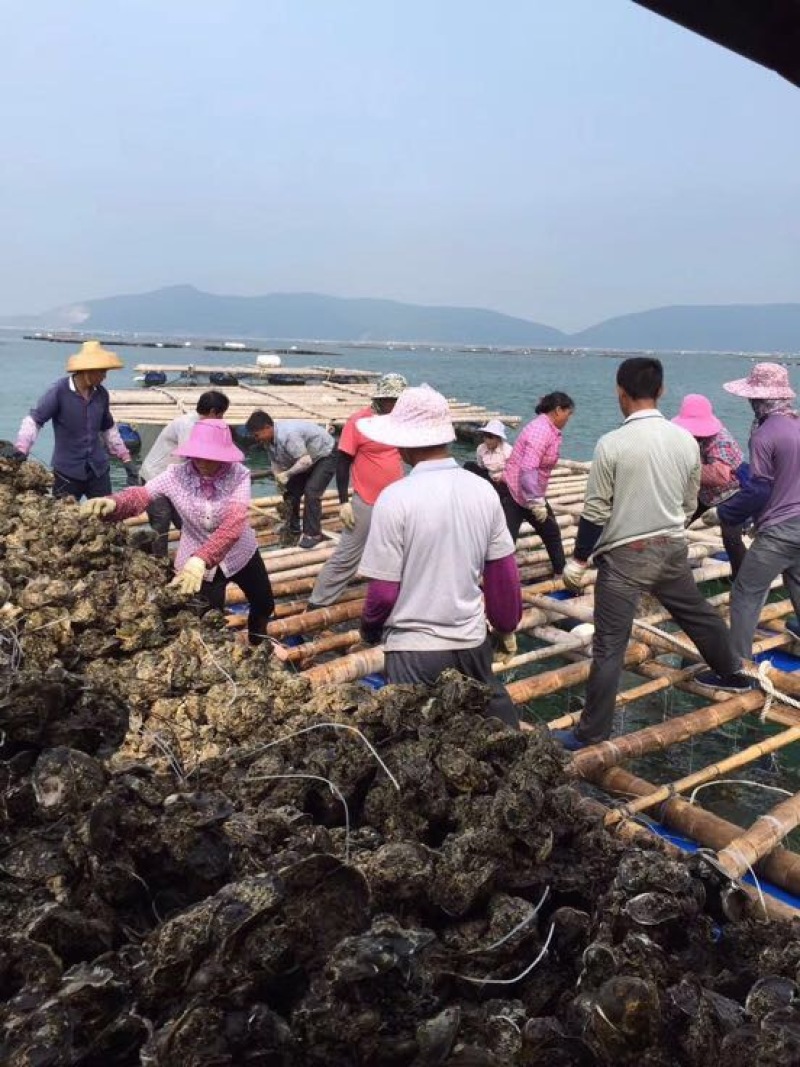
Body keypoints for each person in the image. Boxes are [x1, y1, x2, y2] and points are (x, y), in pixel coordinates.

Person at [553, 357, 747, 751]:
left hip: (624, 559)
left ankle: (591, 733)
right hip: (671, 547)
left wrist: (577, 561)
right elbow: (691, 497)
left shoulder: (612, 444)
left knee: (609, 645)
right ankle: (731, 671)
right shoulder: (685, 442)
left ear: (619, 392)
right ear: (660, 392)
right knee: (697, 612)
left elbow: (594, 512)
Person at [356, 384, 523, 728]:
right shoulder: (483, 491)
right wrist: (506, 627)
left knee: (415, 750)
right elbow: (503, 575)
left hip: (413, 651)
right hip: (472, 644)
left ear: (403, 443)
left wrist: (369, 630)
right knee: (485, 739)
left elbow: (384, 593)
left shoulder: (395, 498)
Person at [80, 420, 274, 645]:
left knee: (264, 603)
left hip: (240, 552)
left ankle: (258, 646)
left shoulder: (239, 475)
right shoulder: (176, 475)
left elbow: (235, 522)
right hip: (194, 563)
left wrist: (203, 558)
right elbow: (142, 495)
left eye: (209, 456)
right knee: (206, 621)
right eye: (198, 455)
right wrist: (114, 503)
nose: (202, 461)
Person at [721, 363, 800, 661]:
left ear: (761, 400)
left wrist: (729, 514)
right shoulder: (797, 424)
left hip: (779, 531)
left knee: (746, 592)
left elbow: (760, 489)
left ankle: (736, 667)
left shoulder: (765, 435)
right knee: (797, 579)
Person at [307, 373, 407, 609]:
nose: (393, 404)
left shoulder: (402, 420)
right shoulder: (359, 421)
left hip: (398, 499)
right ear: (379, 398)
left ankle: (396, 599)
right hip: (366, 498)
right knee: (348, 554)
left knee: (398, 550)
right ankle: (317, 602)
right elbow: (343, 463)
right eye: (390, 399)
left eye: (397, 400)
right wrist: (344, 501)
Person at [13, 340, 138, 500]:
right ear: (87, 371)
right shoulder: (59, 391)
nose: (105, 376)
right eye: (102, 372)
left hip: (98, 471)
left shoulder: (101, 394)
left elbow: (109, 429)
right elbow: (34, 420)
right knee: (63, 520)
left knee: (106, 518)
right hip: (66, 473)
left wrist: (126, 459)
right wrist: (22, 449)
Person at [139, 390, 230, 557]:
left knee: (187, 521)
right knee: (161, 521)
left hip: (176, 479)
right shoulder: (189, 425)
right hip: (156, 476)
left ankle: (192, 556)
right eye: (221, 415)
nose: (222, 420)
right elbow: (192, 457)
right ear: (212, 412)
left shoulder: (203, 425)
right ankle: (160, 563)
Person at [671, 393, 747, 577]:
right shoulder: (689, 437)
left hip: (732, 493)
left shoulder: (721, 441)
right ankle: (669, 564)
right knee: (677, 522)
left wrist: (687, 469)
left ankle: (742, 579)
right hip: (705, 492)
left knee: (731, 537)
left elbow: (720, 475)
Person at [502, 392, 575, 575]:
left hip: (532, 493)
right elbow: (528, 469)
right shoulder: (540, 430)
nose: (569, 418)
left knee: (551, 532)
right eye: (568, 413)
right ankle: (497, 582)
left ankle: (560, 573)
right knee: (505, 542)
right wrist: (536, 502)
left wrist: (535, 499)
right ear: (558, 410)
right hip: (515, 492)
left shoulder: (549, 429)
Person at [245, 411, 336, 549]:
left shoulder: (288, 435)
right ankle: (292, 527)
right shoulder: (267, 440)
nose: (256, 438)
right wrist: (278, 476)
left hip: (325, 455)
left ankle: (312, 534)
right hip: (306, 458)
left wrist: (286, 474)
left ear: (267, 427)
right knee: (291, 491)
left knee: (311, 492)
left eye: (257, 435)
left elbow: (305, 461)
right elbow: (275, 462)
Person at [464, 419, 512, 492]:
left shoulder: (508, 450)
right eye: (485, 436)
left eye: (490, 437)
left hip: (503, 482)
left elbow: (513, 471)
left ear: (498, 438)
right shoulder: (481, 448)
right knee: (469, 465)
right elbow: (481, 466)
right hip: (489, 477)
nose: (487, 440)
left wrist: (502, 477)